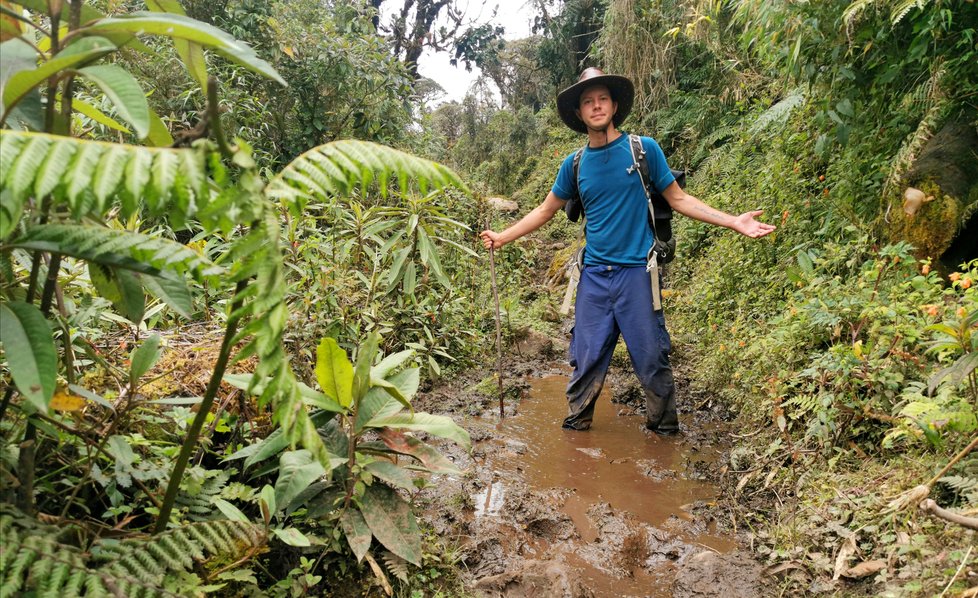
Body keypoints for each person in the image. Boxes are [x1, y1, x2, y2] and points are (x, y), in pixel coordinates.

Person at [479, 68, 775, 434]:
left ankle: (664, 434)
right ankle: (576, 431)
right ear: (579, 113)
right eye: (588, 102)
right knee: (585, 361)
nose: (596, 106)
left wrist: (733, 221)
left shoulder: (643, 149)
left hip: (638, 275)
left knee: (652, 360)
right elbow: (546, 209)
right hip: (594, 279)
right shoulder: (574, 165)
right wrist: (504, 236)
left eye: (602, 98)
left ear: (615, 105)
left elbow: (679, 199)